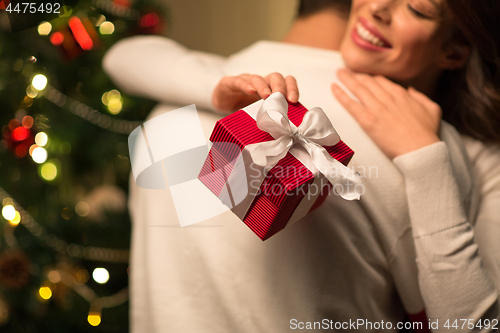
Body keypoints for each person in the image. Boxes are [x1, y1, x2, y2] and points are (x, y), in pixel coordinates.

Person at [103, 0, 499, 331]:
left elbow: (123, 55)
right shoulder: (230, 84)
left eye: (417, 8)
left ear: (454, 50)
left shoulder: (167, 113)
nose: (378, 7)